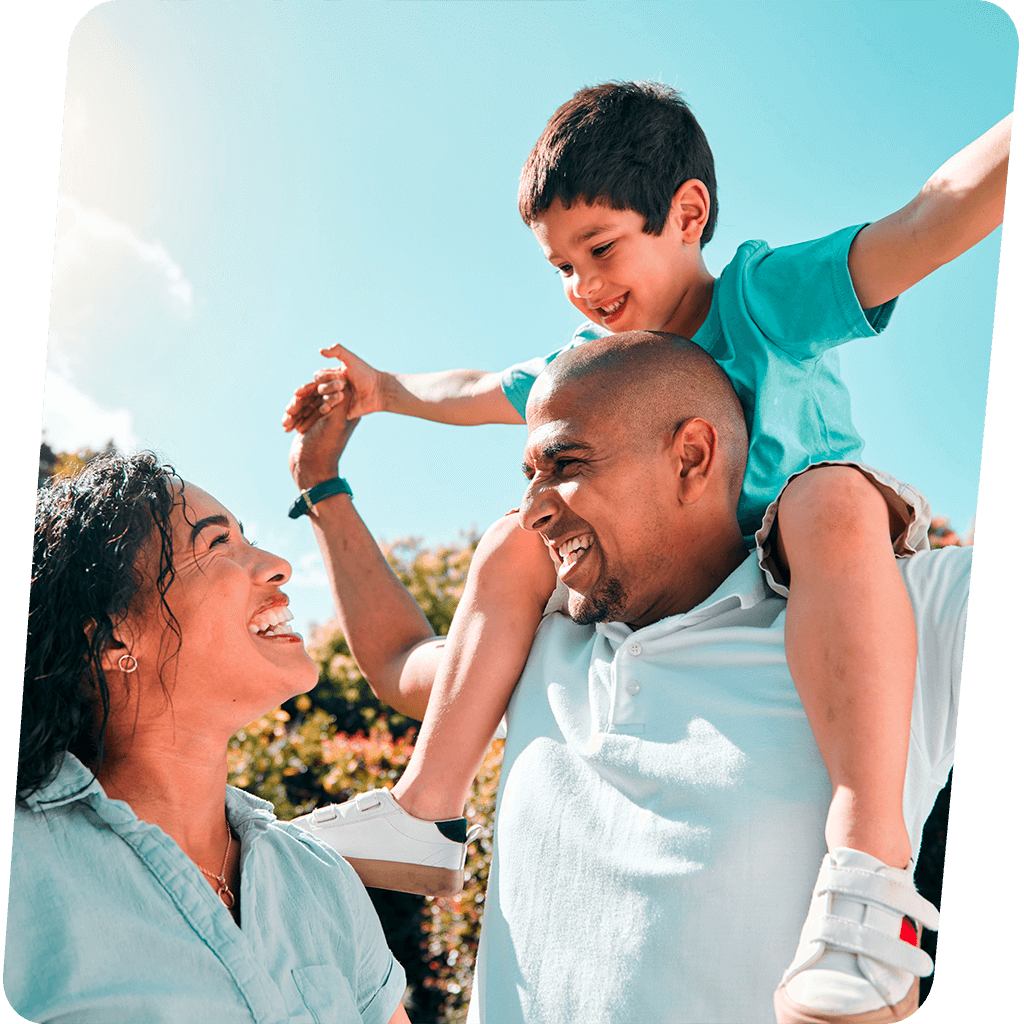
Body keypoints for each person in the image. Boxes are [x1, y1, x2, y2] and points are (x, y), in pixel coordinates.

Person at [283, 82, 1003, 1020]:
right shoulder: (588, 372)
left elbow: (929, 218)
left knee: (822, 500)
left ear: (687, 214)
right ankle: (428, 804)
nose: (583, 285)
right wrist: (382, 394)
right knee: (507, 537)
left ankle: (868, 874)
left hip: (822, 557)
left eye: (600, 249)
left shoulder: (760, 299)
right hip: (682, 586)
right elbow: (476, 388)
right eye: (561, 267)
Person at [284, 332, 968, 1024]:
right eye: (529, 476)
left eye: (566, 463)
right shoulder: (533, 638)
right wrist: (321, 486)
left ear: (691, 458)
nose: (532, 510)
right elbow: (402, 663)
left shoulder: (880, 612)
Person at [7, 451, 411, 1024]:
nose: (277, 565)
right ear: (116, 635)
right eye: (217, 543)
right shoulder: (26, 872)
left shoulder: (320, 880)